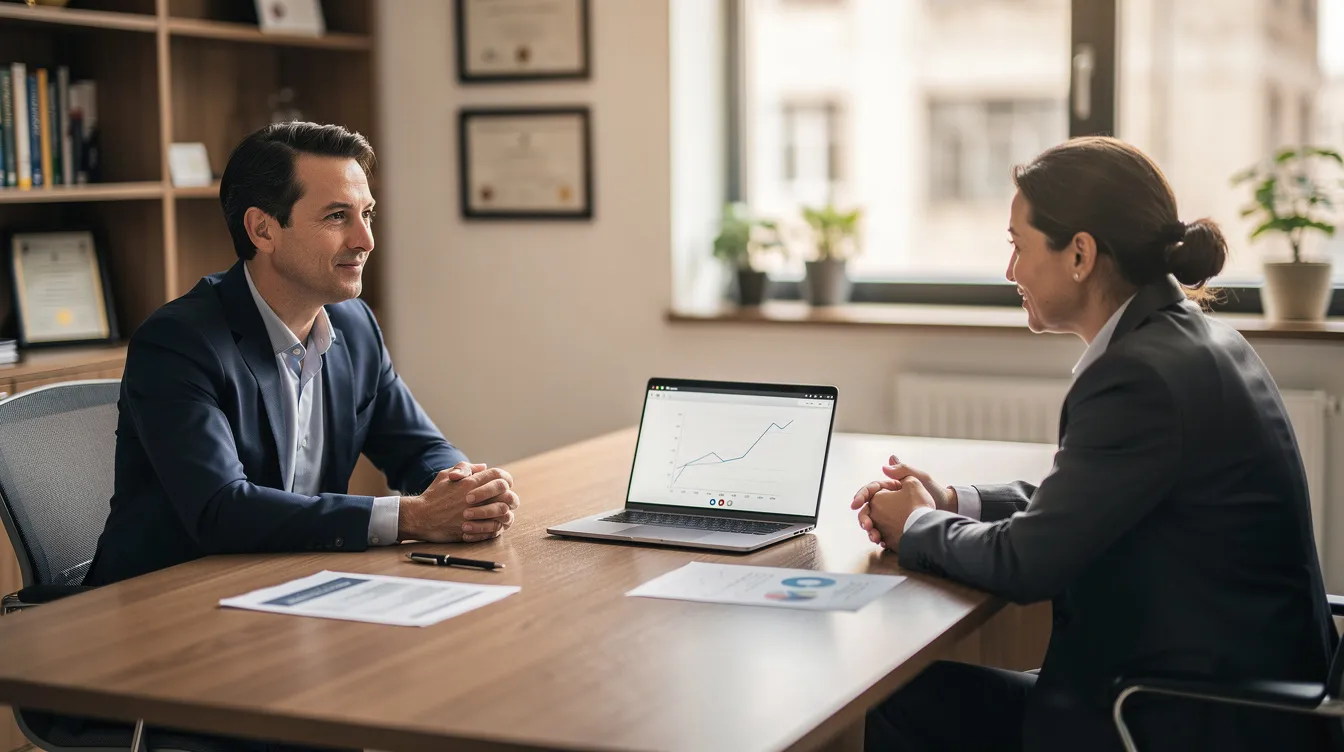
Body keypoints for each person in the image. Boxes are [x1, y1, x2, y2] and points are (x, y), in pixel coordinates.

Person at [852, 137, 1336, 751]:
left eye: (1019, 246)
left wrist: (918, 524)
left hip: (1180, 720)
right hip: (1245, 700)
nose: (1010, 271)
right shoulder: (1195, 340)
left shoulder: (1139, 375)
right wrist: (953, 501)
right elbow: (1086, 499)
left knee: (895, 704)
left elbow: (1026, 563)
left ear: (1079, 254)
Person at [84, 122, 520, 587]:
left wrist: (465, 492)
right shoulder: (179, 342)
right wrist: (411, 517)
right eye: (337, 217)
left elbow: (419, 447)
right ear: (263, 230)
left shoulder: (354, 326)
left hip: (290, 583)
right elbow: (222, 509)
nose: (365, 240)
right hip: (164, 600)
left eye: (367, 214)